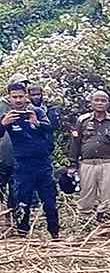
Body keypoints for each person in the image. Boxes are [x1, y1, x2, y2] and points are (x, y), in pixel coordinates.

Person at [2, 80, 58, 240]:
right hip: (22, 166)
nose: (18, 100)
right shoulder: (7, 116)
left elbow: (50, 130)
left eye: (21, 96)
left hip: (43, 164)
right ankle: (22, 235)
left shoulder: (38, 111)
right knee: (22, 202)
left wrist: (37, 123)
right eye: (14, 97)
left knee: (49, 202)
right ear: (10, 98)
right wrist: (3, 124)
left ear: (26, 96)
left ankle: (55, 234)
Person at [67, 90, 110, 227]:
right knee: (85, 197)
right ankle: (85, 226)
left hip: (108, 163)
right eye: (96, 100)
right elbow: (75, 143)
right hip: (87, 164)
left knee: (109, 198)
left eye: (103, 100)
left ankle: (107, 227)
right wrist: (72, 164)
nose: (99, 103)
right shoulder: (82, 120)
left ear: (108, 103)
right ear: (91, 103)